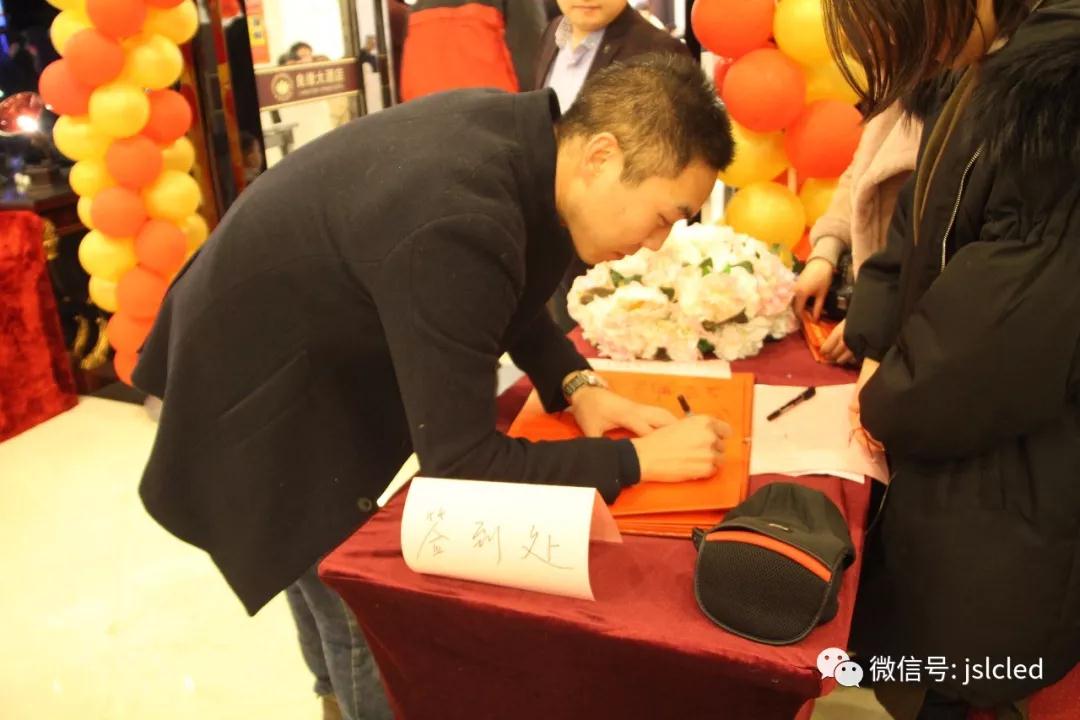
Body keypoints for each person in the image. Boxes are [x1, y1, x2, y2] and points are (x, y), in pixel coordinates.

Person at [133, 54, 734, 720]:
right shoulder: (459, 212)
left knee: (316, 580)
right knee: (352, 608)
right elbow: (464, 464)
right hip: (250, 386)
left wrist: (574, 381)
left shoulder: (530, 149)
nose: (657, 243)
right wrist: (635, 461)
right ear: (601, 156)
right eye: (663, 216)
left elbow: (504, 285)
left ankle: (332, 698)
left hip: (277, 341)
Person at [825, 0, 1080, 717]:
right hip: (953, 435)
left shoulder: (1056, 94)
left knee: (970, 669)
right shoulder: (984, 64)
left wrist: (889, 398)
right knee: (932, 654)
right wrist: (875, 337)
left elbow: (1009, 322)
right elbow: (916, 224)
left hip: (1012, 463)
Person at [531, 0, 691, 330]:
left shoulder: (658, 51)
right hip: (553, 232)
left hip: (617, 257)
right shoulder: (552, 34)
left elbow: (677, 173)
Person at [792, 102, 923, 366]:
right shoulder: (896, 98)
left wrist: (875, 317)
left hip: (913, 318)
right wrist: (825, 253)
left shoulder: (962, 105)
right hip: (874, 305)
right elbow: (859, 176)